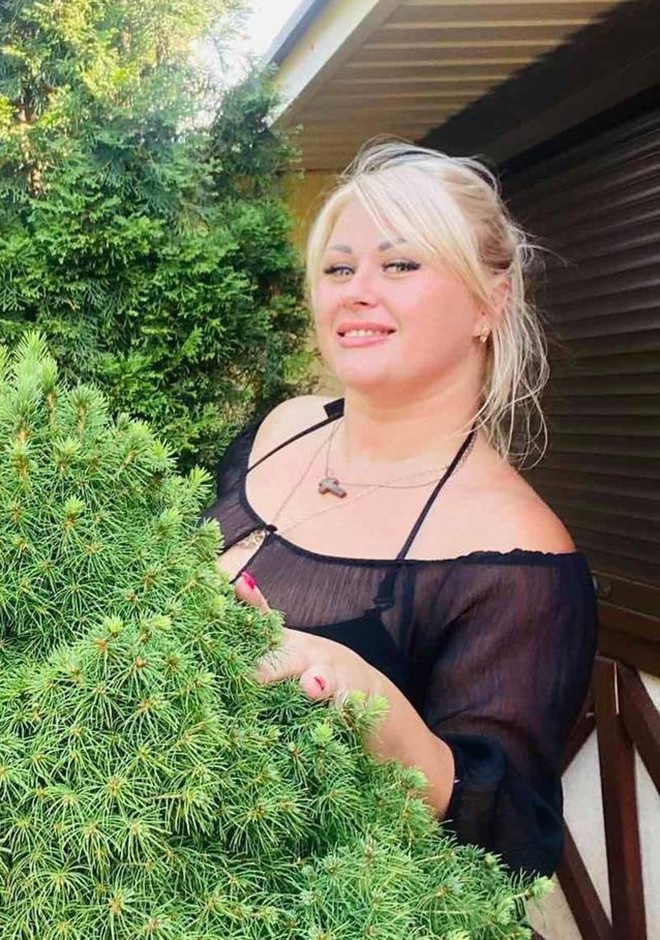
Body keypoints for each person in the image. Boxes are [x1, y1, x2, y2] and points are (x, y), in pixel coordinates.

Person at [205, 140, 598, 878]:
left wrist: (360, 689)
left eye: (401, 264)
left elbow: (509, 851)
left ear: (489, 303)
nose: (356, 291)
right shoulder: (279, 429)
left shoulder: (518, 554)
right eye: (338, 268)